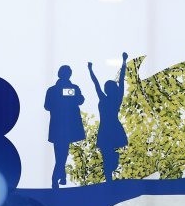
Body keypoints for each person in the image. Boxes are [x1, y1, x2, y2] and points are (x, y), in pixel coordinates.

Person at [87, 53, 129, 181]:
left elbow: (121, 78)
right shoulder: (105, 98)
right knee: (106, 155)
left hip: (110, 128)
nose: (105, 88)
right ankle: (108, 180)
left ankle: (112, 167)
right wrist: (90, 70)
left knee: (107, 154)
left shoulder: (116, 99)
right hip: (106, 128)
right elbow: (96, 83)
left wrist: (124, 61)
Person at [44, 65, 86, 188]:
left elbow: (80, 100)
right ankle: (58, 176)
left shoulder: (54, 90)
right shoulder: (54, 90)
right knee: (61, 153)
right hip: (63, 125)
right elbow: (47, 106)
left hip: (62, 125)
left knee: (61, 153)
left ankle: (59, 176)